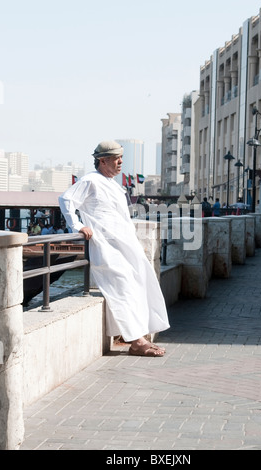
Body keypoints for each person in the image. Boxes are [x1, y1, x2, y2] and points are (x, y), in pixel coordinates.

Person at [59, 141, 170, 357]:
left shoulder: (113, 185)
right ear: (103, 160)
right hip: (106, 246)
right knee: (121, 287)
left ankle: (141, 336)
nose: (121, 162)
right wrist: (78, 225)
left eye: (121, 158)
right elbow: (66, 199)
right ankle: (136, 342)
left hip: (125, 245)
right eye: (116, 158)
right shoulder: (90, 181)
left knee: (140, 284)